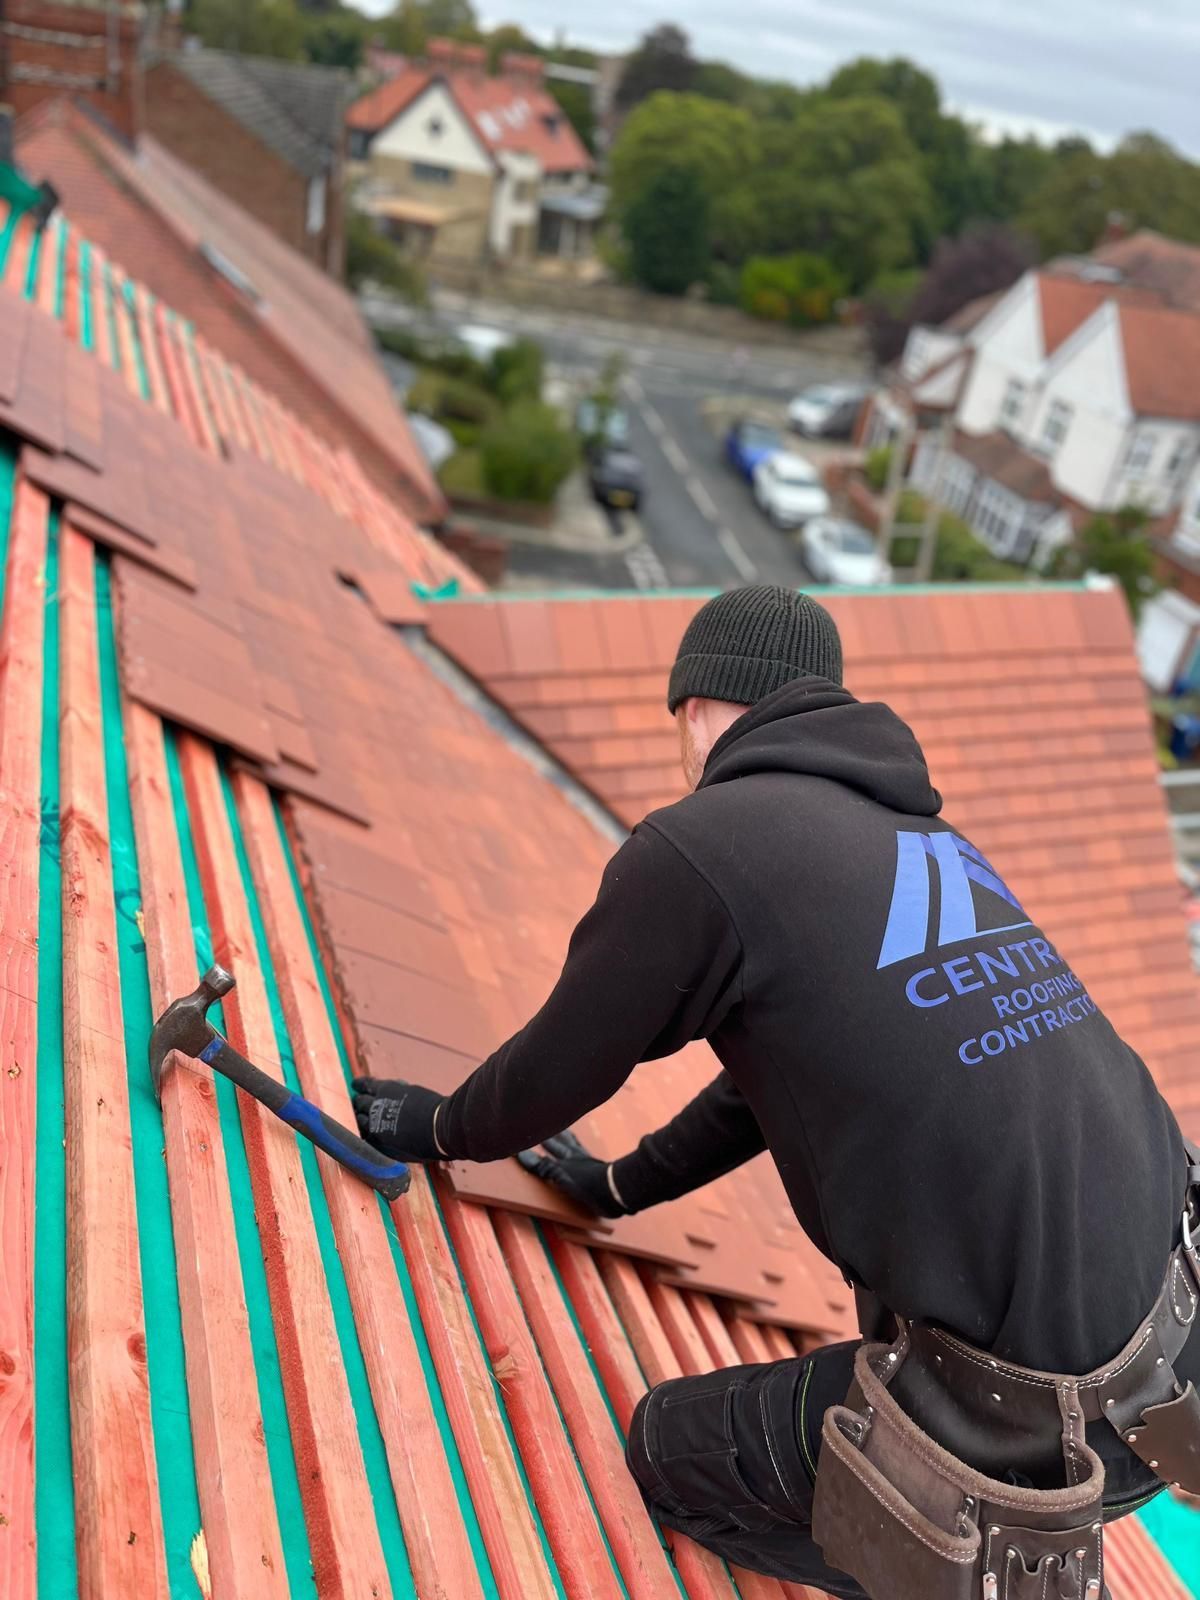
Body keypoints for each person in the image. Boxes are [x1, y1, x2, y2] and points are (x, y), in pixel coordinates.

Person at [353, 585, 1198, 1596]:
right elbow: (777, 1084)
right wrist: (617, 1188)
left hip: (1017, 1423)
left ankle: (944, 1565)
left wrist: (440, 1125)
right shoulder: (927, 847)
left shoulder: (704, 845)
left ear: (695, 706)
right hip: (1174, 1374)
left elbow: (558, 1065)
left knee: (672, 1452)